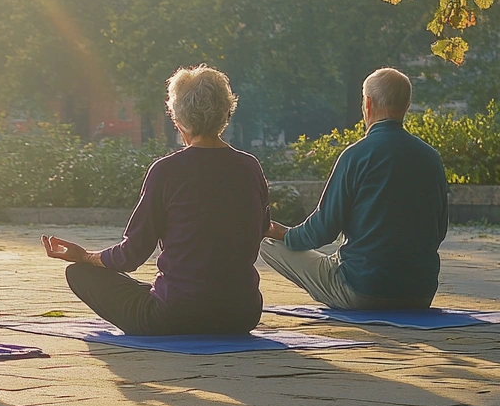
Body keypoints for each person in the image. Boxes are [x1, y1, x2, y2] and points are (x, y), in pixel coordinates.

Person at [43, 65, 269, 335]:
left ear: (179, 119)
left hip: (175, 316)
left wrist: (85, 256)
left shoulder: (167, 170)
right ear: (226, 114)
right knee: (149, 289)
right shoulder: (250, 167)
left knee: (79, 273)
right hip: (241, 314)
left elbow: (130, 256)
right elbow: (260, 229)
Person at [260, 67, 448, 309]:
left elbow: (323, 230)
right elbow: (439, 230)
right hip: (420, 293)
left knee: (269, 245)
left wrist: (284, 233)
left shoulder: (356, 155)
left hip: (364, 289)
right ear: (407, 106)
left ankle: (341, 284)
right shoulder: (431, 158)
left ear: (367, 104)